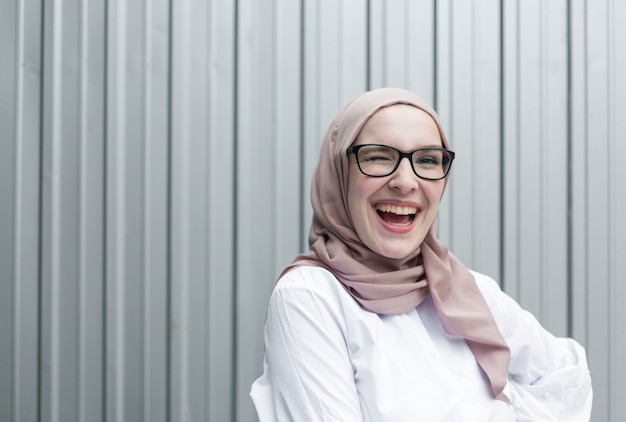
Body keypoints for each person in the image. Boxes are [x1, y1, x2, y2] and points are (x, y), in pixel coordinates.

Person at [250, 87, 592, 421]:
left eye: (427, 160)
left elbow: (567, 377)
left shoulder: (465, 288)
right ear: (339, 172)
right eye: (378, 156)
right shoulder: (310, 297)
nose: (405, 180)